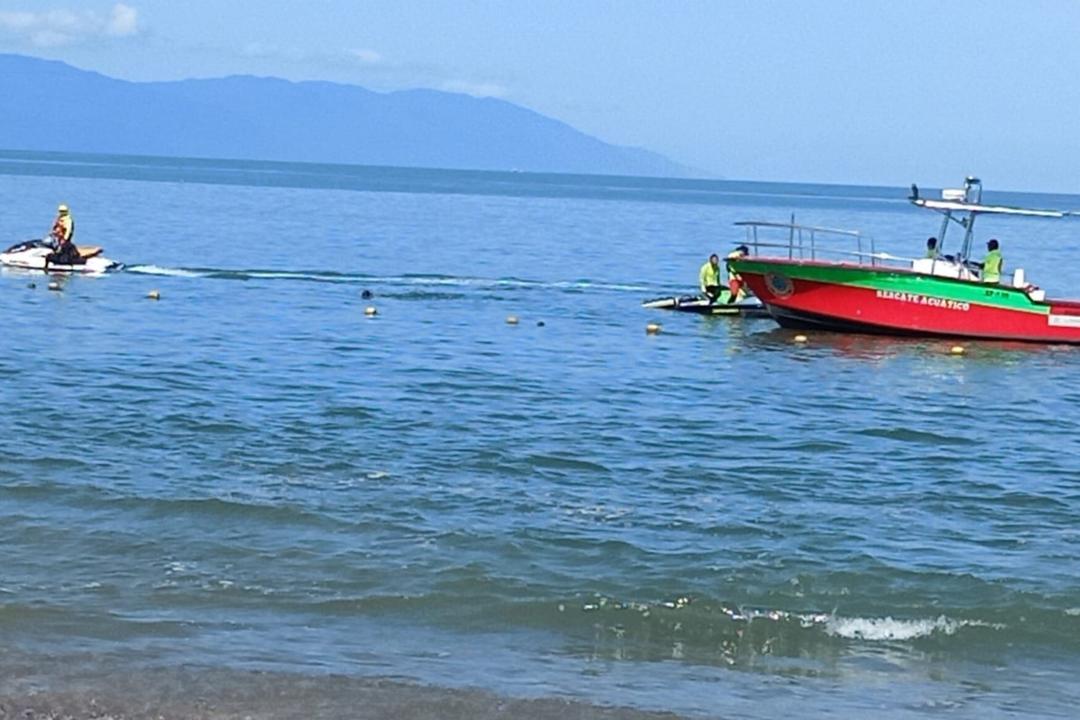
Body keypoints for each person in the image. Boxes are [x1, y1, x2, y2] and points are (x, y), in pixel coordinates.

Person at [44, 203, 81, 269]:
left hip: (64, 238)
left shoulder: (68, 220)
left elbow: (68, 230)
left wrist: (65, 239)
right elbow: (54, 226)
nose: (62, 213)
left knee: (63, 249)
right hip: (57, 237)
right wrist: (52, 233)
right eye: (61, 211)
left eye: (63, 211)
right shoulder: (59, 218)